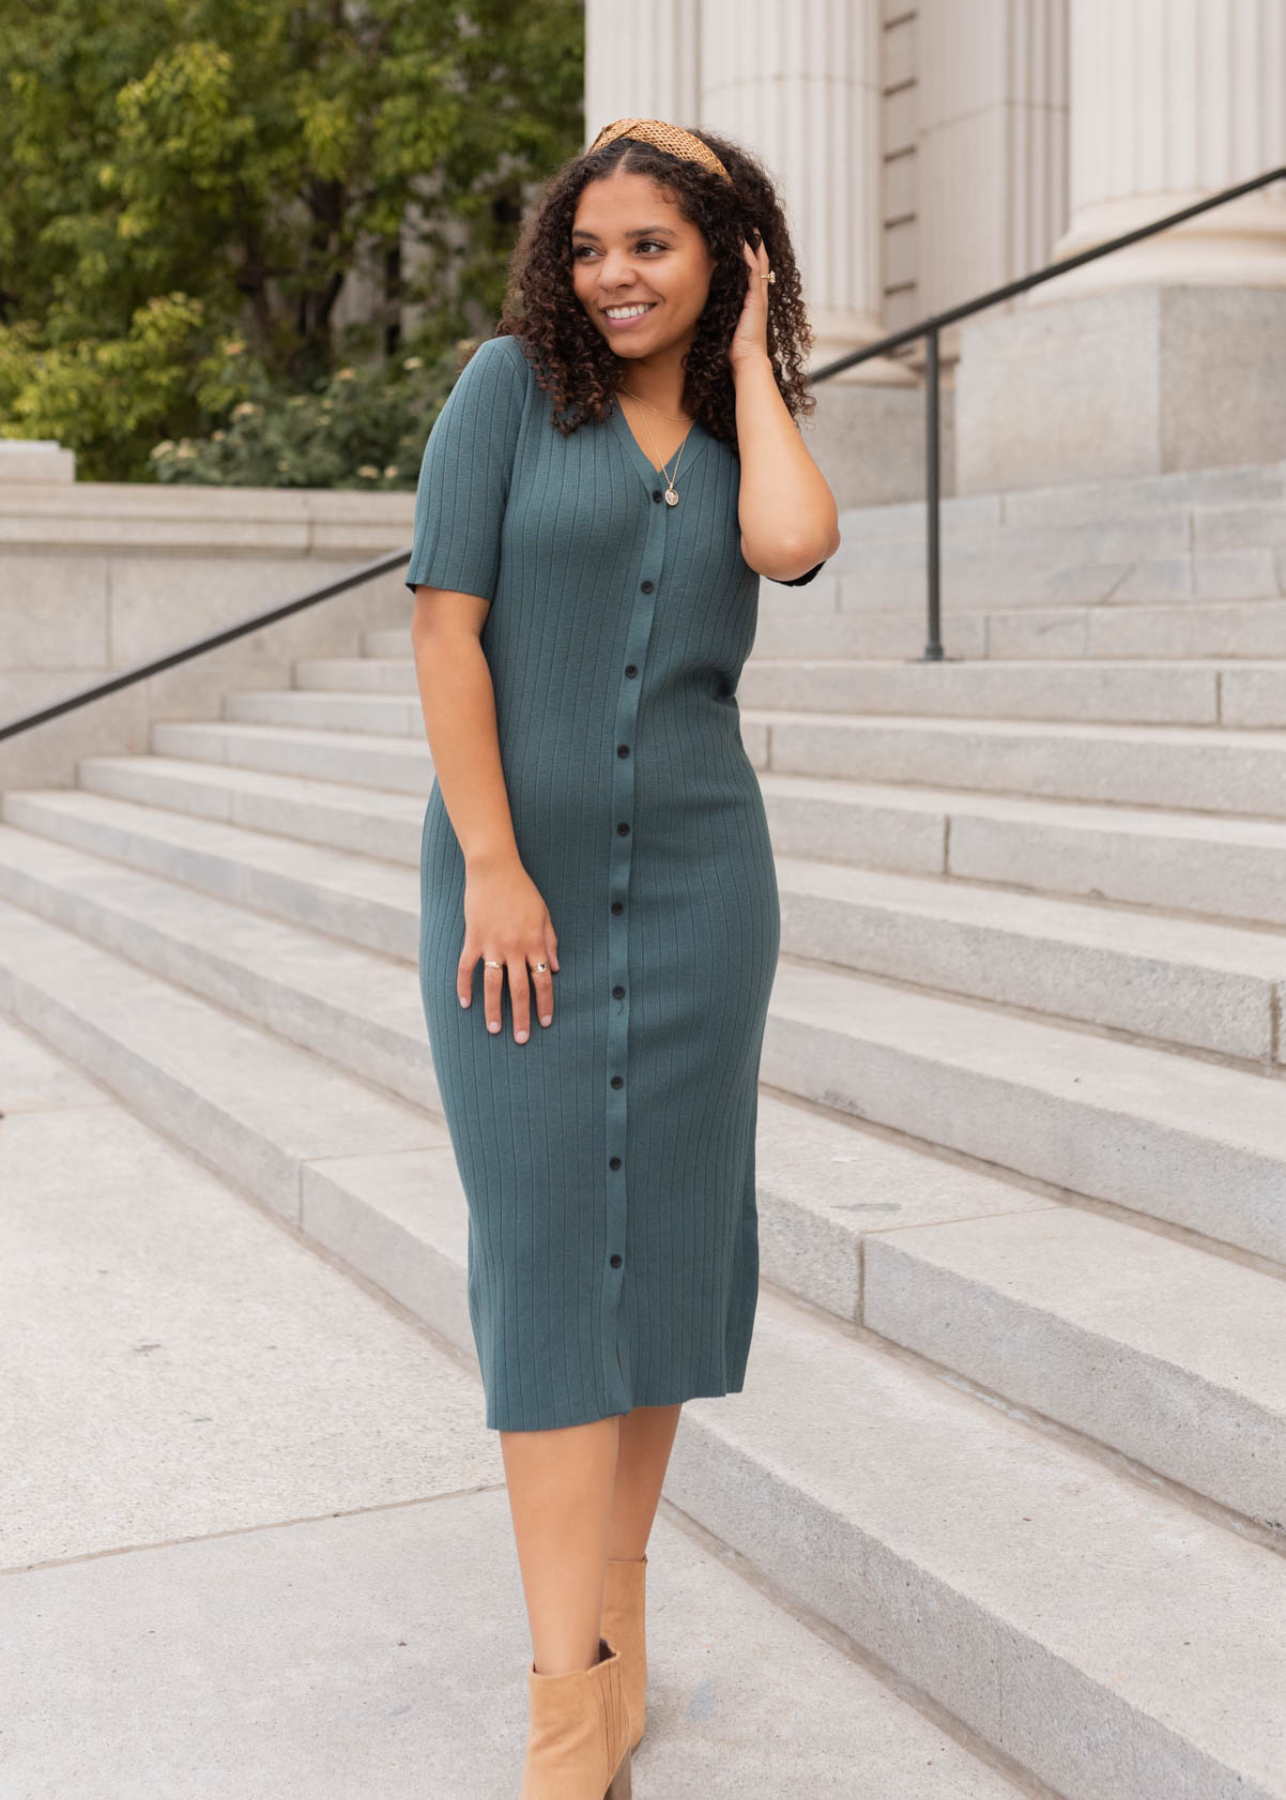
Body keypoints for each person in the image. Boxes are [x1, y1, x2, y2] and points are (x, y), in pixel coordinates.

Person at [407, 115, 841, 1798]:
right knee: (540, 1267)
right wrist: (497, 868)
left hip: (701, 894)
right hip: (516, 901)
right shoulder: (504, 392)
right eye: (589, 248)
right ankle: (562, 1707)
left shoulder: (746, 425)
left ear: (719, 255)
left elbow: (792, 544)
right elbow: (446, 628)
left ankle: (615, 1633)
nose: (611, 276)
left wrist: (750, 361)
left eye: (652, 246)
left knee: (659, 1252)